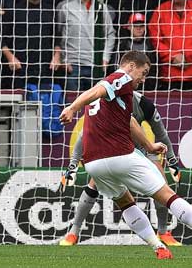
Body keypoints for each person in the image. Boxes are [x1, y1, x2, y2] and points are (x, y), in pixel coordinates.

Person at [59, 50, 192, 260]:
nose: (143, 80)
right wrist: (72, 108)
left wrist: (149, 145)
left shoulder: (110, 95)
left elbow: (129, 121)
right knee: (167, 195)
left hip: (94, 165)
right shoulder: (121, 78)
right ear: (130, 66)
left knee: (125, 202)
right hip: (121, 156)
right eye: (143, 73)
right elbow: (100, 90)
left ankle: (159, 248)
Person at [59, 91, 182, 247]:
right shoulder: (105, 100)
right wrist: (72, 166)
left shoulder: (144, 104)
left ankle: (163, 232)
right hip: (113, 147)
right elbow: (84, 134)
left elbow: (161, 134)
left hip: (141, 145)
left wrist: (172, 161)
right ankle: (73, 232)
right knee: (94, 182)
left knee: (161, 181)